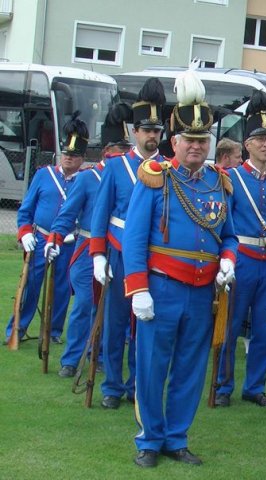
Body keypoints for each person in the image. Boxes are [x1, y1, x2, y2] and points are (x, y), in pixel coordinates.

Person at [123, 69, 238, 468]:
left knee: (190, 368)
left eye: (202, 140)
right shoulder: (156, 178)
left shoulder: (219, 182)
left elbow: (229, 235)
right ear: (174, 142)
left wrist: (228, 259)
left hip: (203, 290)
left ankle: (177, 437)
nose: (196, 146)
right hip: (162, 288)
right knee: (153, 367)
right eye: (189, 139)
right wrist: (138, 288)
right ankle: (149, 440)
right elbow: (135, 237)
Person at [90, 78, 166, 410]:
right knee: (115, 322)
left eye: (157, 130)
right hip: (118, 252)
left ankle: (137, 383)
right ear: (135, 132)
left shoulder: (167, 168)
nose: (152, 136)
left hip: (154, 256)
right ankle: (112, 385)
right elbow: (101, 213)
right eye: (146, 130)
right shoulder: (116, 167)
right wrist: (97, 255)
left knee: (144, 323)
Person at [215, 90, 266, 408]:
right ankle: (222, 385)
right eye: (260, 139)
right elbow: (223, 224)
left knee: (264, 328)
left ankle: (255, 385)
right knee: (230, 325)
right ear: (247, 143)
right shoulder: (231, 178)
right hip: (242, 259)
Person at [45, 104, 133, 377]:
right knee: (85, 304)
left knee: (112, 309)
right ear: (108, 150)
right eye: (120, 148)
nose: (125, 152)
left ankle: (102, 355)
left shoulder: (134, 176)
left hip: (117, 250)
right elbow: (67, 214)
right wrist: (55, 238)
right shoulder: (88, 178)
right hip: (86, 250)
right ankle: (71, 359)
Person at [4, 112, 86, 344]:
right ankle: (16, 329)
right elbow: (25, 211)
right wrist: (25, 232)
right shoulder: (43, 175)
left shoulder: (85, 180)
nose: (69, 158)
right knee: (30, 285)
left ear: (81, 158)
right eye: (67, 154)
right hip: (40, 238)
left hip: (68, 241)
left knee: (62, 289)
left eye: (74, 155)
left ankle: (53, 332)